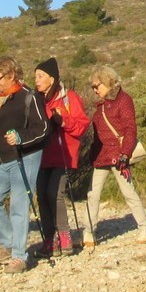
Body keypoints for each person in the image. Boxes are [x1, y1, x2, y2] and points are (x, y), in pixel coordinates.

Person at [0, 56, 50, 274]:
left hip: (26, 157)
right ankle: (8, 242)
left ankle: (19, 256)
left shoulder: (29, 97)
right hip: (2, 159)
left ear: (11, 76)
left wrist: (21, 137)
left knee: (19, 205)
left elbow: (43, 128)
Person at [82, 66, 146, 247]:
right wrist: (90, 156)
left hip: (119, 156)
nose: (94, 89)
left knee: (128, 192)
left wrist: (125, 154)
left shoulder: (124, 100)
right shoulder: (101, 105)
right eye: (93, 87)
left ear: (107, 82)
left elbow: (130, 129)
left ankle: (145, 229)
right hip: (101, 157)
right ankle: (88, 233)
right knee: (93, 194)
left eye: (96, 85)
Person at [33, 57, 90, 258]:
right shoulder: (36, 100)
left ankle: (64, 236)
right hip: (41, 157)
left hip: (64, 155)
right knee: (41, 194)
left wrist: (62, 120)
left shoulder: (69, 98)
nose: (37, 80)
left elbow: (82, 125)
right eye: (35, 77)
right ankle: (50, 239)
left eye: (40, 76)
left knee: (54, 193)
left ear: (52, 78)